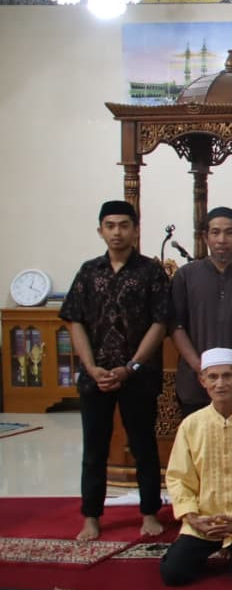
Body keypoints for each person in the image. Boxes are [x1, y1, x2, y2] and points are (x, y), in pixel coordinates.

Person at [60, 200, 169, 541]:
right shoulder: (89, 271)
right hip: (96, 377)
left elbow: (160, 323)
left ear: (135, 230)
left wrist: (131, 366)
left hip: (138, 375)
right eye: (110, 226)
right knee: (95, 448)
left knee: (143, 445)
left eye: (124, 225)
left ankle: (149, 513)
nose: (117, 232)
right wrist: (91, 368)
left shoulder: (151, 272)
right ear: (100, 231)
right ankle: (91, 517)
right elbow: (75, 321)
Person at [161, 348, 232, 586]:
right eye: (213, 377)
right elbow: (178, 477)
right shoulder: (191, 425)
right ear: (202, 381)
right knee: (173, 573)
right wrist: (193, 518)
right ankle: (212, 552)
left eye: (227, 376)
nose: (220, 383)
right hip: (205, 520)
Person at [170, 207, 232, 415]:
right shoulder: (186, 276)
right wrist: (199, 366)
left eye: (229, 232)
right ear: (206, 237)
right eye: (215, 232)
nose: (222, 239)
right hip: (196, 384)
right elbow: (176, 326)